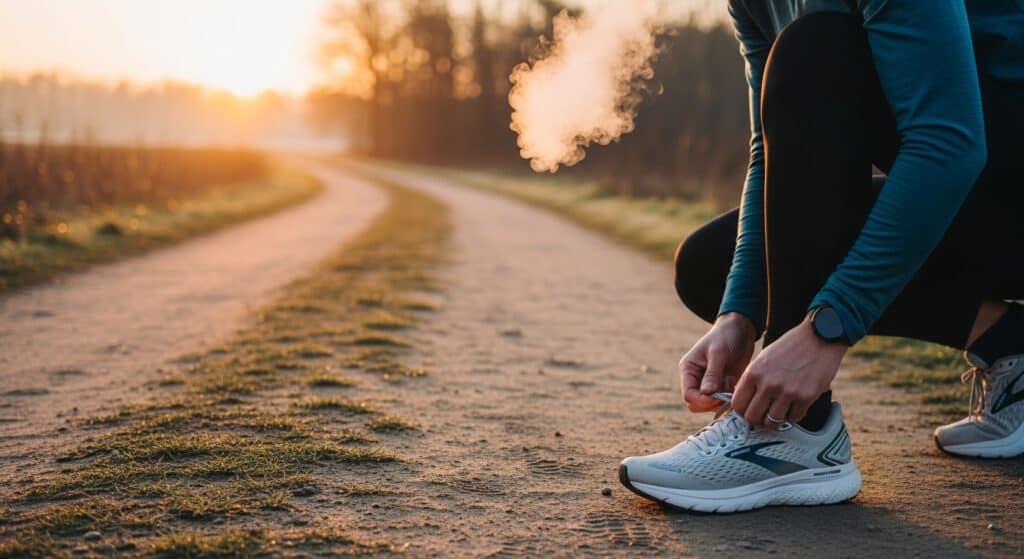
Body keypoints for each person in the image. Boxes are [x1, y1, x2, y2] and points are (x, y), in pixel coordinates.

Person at [619, 0, 1024, 513]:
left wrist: (828, 327)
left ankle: (791, 432)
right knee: (711, 267)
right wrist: (739, 313)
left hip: (991, 175)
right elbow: (771, 149)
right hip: (983, 196)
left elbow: (949, 142)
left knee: (817, 48)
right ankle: (1010, 340)